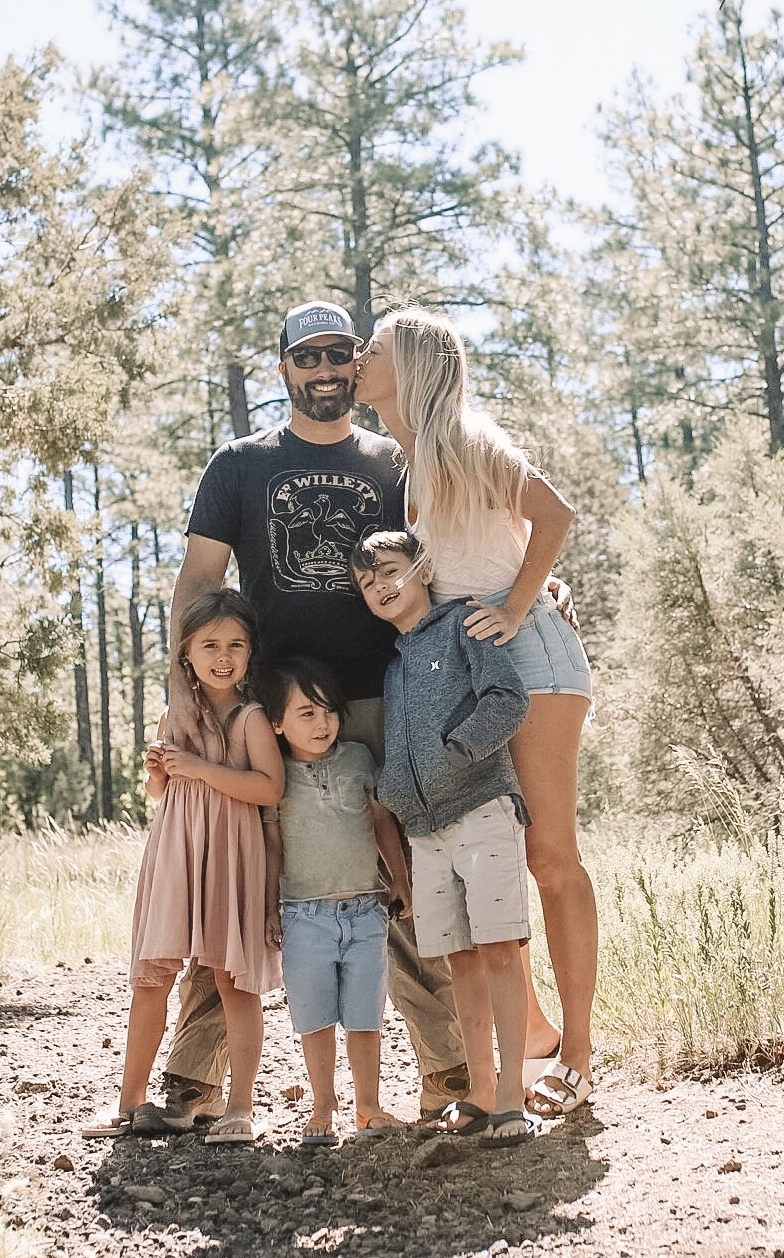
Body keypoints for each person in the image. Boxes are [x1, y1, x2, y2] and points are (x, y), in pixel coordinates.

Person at [155, 300, 470, 1126]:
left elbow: (456, 546)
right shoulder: (239, 464)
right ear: (284, 366)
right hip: (264, 709)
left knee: (395, 873)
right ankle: (194, 1081)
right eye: (308, 357)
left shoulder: (394, 461)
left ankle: (449, 1071)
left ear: (355, 361)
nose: (325, 370)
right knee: (243, 876)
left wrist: (533, 591)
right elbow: (197, 582)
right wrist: (184, 690)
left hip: (375, 695)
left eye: (339, 355)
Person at [356, 307, 598, 1118]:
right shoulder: (415, 460)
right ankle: (528, 1037)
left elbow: (553, 513)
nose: (358, 358)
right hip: (464, 666)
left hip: (524, 656)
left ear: (414, 363)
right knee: (490, 849)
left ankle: (579, 1053)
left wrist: (521, 601)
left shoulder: (461, 438)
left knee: (546, 852)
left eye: (374, 348)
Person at [353, 530, 536, 1146]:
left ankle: (513, 1096)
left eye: (389, 569)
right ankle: (480, 1094)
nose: (379, 584)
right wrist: (395, 791)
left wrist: (457, 750)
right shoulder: (395, 665)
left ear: (423, 568)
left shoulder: (463, 626)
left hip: (483, 810)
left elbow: (508, 698)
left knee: (501, 951)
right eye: (366, 580)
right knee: (459, 961)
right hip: (426, 834)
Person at [83, 589, 283, 1145]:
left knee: (230, 978)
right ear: (186, 655)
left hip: (229, 851)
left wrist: (196, 766)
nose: (224, 656)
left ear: (250, 652)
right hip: (177, 848)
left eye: (236, 645)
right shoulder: (176, 714)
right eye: (210, 645)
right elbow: (159, 792)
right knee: (154, 977)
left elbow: (269, 786)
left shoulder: (250, 718)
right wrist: (158, 770)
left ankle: (240, 1105)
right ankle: (129, 1101)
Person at [258, 656, 411, 1145]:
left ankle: (368, 1106)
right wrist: (267, 908)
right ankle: (323, 1107)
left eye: (328, 710)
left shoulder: (359, 758)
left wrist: (400, 878)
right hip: (304, 915)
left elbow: (382, 821)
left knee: (366, 1017)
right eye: (306, 713)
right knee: (316, 1018)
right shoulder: (274, 778)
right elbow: (273, 846)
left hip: (367, 909)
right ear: (277, 724)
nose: (322, 722)